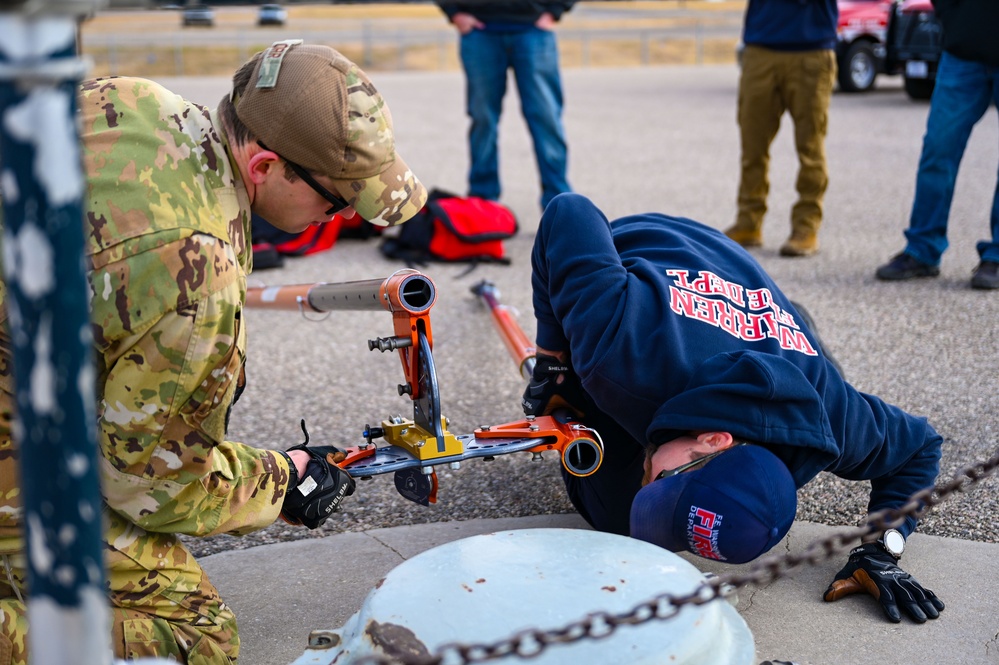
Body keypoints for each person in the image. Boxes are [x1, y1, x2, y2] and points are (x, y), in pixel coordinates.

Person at [0, 41, 427, 664]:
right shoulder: (198, 273)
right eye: (335, 202)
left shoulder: (135, 99)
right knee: (197, 638)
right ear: (263, 168)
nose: (337, 220)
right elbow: (148, 486)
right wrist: (281, 481)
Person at [523, 193, 945, 624]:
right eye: (665, 481)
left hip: (749, 312)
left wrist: (881, 549)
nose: (650, 486)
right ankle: (792, 315)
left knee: (628, 516)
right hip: (653, 249)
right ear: (714, 440)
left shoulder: (832, 417)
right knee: (614, 515)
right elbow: (570, 212)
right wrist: (553, 365)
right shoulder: (621, 353)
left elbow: (920, 448)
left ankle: (792, 318)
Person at [875, 0, 999, 290]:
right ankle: (922, 249)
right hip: (962, 51)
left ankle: (996, 256)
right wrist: (952, 18)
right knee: (938, 149)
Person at [435, 1, 576, 211]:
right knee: (482, 119)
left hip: (533, 30)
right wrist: (454, 13)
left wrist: (554, 11)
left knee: (546, 118)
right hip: (480, 31)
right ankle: (483, 202)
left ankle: (560, 206)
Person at [724, 0, 838, 257]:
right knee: (752, 146)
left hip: (811, 50)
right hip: (760, 48)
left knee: (811, 149)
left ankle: (806, 226)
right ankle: (749, 222)